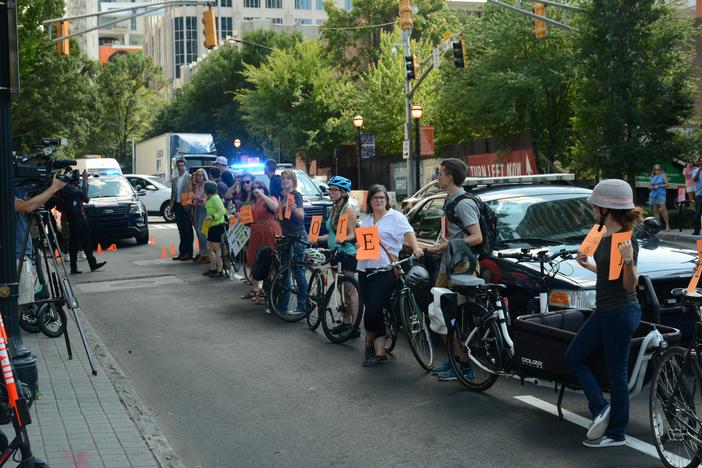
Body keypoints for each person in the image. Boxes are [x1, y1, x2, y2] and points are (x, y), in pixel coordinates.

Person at [566, 179, 642, 448]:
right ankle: (600, 408)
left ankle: (616, 434)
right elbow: (608, 275)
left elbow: (629, 285)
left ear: (603, 208)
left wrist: (630, 259)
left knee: (616, 373)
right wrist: (587, 264)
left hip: (621, 312)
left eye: (594, 206)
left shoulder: (624, 241)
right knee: (574, 356)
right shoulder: (599, 232)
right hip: (605, 310)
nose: (592, 209)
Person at [423, 158, 482, 382]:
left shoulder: (463, 203)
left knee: (451, 316)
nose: (437, 176)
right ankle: (455, 360)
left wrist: (449, 245)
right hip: (449, 265)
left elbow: (477, 237)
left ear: (450, 178)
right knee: (443, 316)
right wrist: (442, 246)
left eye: (440, 173)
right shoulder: (451, 200)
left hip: (461, 268)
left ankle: (464, 365)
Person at [358, 184, 423, 367]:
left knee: (374, 309)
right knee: (371, 310)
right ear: (369, 201)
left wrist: (416, 248)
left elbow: (409, 233)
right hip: (365, 270)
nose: (379, 200)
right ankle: (376, 349)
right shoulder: (367, 220)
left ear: (387, 200)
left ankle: (372, 346)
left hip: (385, 270)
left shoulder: (396, 217)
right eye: (375, 198)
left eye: (382, 197)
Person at [315, 176, 359, 337]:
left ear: (344, 192)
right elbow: (333, 234)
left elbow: (352, 235)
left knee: (350, 291)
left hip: (347, 253)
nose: (331, 193)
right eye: (330, 189)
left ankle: (354, 326)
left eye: (334, 190)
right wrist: (318, 238)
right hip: (335, 252)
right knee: (340, 288)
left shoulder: (348, 209)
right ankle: (346, 322)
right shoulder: (333, 208)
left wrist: (344, 239)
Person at [15, 176, 66, 306]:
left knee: (25, 299)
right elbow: (26, 207)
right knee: (21, 303)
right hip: (15, 256)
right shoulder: (4, 191)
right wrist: (54, 187)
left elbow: (27, 206)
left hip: (21, 253)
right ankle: (14, 326)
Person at [59, 170, 107, 274]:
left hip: (78, 215)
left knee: (85, 240)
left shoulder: (70, 188)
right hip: (74, 216)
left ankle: (92, 263)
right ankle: (74, 266)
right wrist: (85, 181)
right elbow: (85, 197)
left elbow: (83, 197)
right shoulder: (69, 188)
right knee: (74, 242)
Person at [243, 181, 281, 305]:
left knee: (269, 260)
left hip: (268, 231)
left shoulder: (269, 198)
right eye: (254, 188)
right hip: (256, 232)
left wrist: (262, 195)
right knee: (256, 259)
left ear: (264, 188)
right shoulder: (253, 202)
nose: (255, 190)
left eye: (258, 187)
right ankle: (258, 291)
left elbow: (275, 207)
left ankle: (267, 292)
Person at [276, 169, 308, 315]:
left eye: (288, 178)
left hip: (298, 236)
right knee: (284, 271)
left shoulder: (296, 196)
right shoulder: (284, 197)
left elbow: (301, 217)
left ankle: (302, 305)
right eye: (283, 178)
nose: (285, 181)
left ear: (293, 180)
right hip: (287, 237)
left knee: (297, 271)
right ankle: (283, 306)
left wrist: (294, 208)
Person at [169, 159, 193, 261]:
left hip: (186, 206)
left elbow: (192, 191)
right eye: (179, 165)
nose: (180, 167)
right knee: (181, 230)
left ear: (185, 166)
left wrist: (189, 206)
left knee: (188, 230)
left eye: (182, 165)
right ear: (176, 167)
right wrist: (171, 206)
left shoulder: (189, 178)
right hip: (177, 205)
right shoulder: (175, 179)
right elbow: (173, 194)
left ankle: (188, 252)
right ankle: (182, 252)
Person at [202, 181, 228, 278]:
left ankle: (219, 270)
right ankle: (213, 268)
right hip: (212, 226)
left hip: (217, 225)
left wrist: (213, 216)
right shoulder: (210, 198)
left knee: (216, 249)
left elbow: (222, 210)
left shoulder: (215, 198)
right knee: (209, 247)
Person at [191, 169, 209, 264]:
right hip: (197, 208)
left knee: (202, 232)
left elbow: (207, 199)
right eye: (197, 175)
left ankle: (206, 253)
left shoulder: (206, 185)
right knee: (198, 231)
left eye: (200, 175)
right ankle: (202, 253)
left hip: (203, 209)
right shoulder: (197, 185)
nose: (198, 177)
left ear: (204, 176)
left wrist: (198, 198)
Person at [648, 164, 670, 231]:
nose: (657, 170)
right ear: (653, 170)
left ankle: (667, 225)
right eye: (655, 169)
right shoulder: (652, 176)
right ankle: (658, 225)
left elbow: (667, 184)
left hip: (661, 194)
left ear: (661, 169)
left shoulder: (663, 175)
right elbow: (650, 186)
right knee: (655, 210)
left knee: (663, 209)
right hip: (653, 194)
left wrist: (659, 186)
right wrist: (651, 187)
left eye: (658, 169)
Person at [692, 158, 702, 235]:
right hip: (699, 195)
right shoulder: (695, 170)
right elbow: (695, 179)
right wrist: (700, 170)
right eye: (700, 160)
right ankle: (697, 230)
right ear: (698, 163)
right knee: (697, 213)